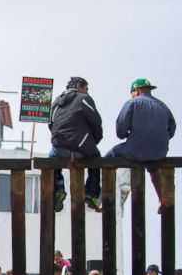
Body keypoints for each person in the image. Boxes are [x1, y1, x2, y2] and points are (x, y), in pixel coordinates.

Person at [107, 78, 176, 211]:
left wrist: (129, 135)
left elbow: (120, 130)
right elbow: (172, 129)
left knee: (109, 156)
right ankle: (162, 200)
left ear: (137, 91)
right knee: (153, 170)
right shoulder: (163, 106)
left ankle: (103, 198)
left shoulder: (132, 103)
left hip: (136, 150)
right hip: (159, 152)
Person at [48, 77, 103, 212]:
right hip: (81, 146)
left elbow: (51, 124)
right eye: (86, 88)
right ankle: (91, 193)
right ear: (79, 86)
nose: (87, 92)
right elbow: (96, 122)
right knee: (96, 158)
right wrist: (95, 140)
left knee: (52, 161)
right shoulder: (84, 99)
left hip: (58, 147)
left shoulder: (56, 101)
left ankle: (58, 188)